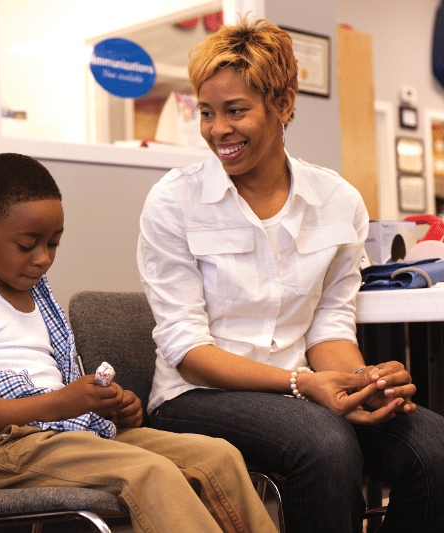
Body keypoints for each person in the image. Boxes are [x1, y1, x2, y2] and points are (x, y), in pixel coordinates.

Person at [137, 17, 444, 533]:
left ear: (283, 104)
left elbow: (329, 324)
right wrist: (304, 384)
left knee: (433, 449)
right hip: (195, 398)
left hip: (307, 394)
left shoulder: (337, 201)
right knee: (324, 444)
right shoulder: (175, 201)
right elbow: (188, 352)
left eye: (236, 111)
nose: (218, 130)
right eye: (208, 113)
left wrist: (358, 382)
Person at [0, 153, 278, 533]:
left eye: (54, 243)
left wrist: (111, 408)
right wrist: (62, 403)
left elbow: (53, 391)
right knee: (149, 472)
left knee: (218, 456)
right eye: (27, 244)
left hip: (62, 435)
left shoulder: (35, 298)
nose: (43, 258)